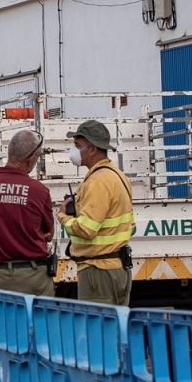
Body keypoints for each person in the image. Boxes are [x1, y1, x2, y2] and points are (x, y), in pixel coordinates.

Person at [59, 119, 134, 306]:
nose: (74, 151)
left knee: (97, 332)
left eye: (78, 146)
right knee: (114, 330)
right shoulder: (116, 175)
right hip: (115, 267)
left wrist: (63, 217)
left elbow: (87, 228)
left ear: (92, 148)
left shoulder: (98, 181)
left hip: (98, 271)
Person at [0, 129, 55, 296]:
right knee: (37, 321)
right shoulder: (39, 191)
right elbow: (48, 233)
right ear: (31, 159)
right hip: (32, 278)